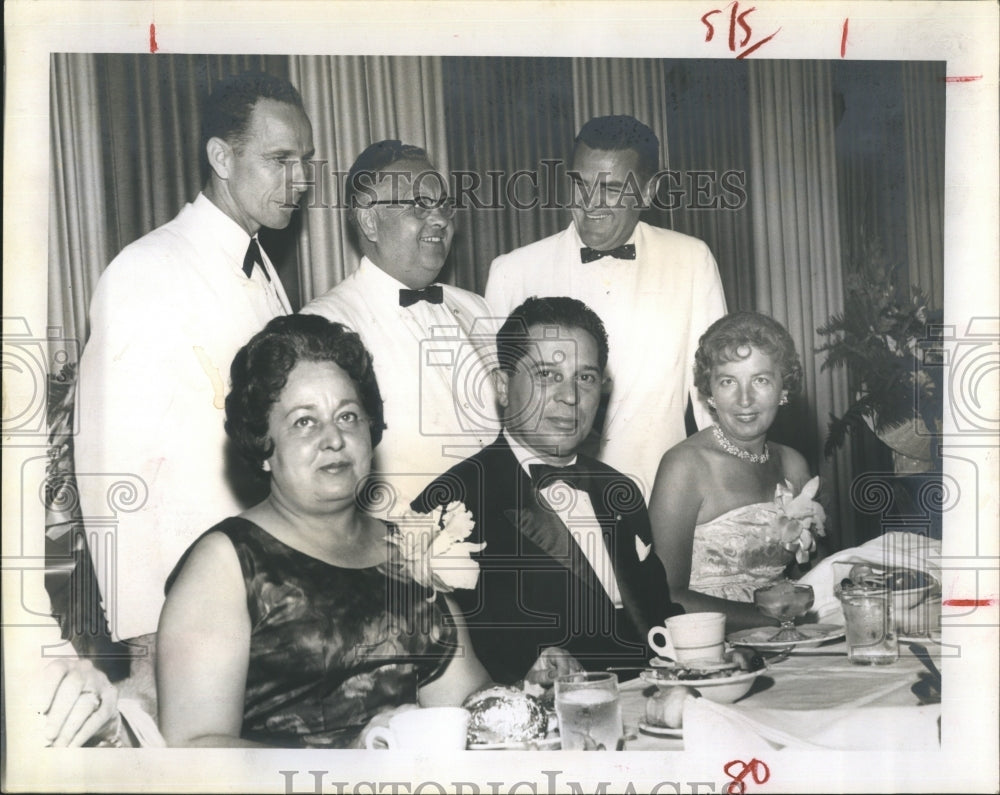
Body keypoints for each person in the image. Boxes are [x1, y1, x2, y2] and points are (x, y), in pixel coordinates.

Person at [156, 314, 492, 748]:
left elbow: (467, 710)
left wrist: (532, 693)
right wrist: (349, 763)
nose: (334, 439)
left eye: (348, 416)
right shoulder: (224, 563)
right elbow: (192, 750)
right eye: (304, 422)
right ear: (262, 445)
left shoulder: (407, 549)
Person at [73, 71, 314, 644]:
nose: (301, 179)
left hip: (272, 592)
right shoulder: (146, 270)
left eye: (305, 159)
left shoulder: (262, 268)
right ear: (221, 158)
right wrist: (142, 634)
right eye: (280, 159)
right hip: (192, 609)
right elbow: (112, 466)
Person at [412, 297, 683, 685]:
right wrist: (525, 663)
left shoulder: (619, 489)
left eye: (585, 377)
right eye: (547, 375)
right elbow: (440, 648)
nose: (570, 397)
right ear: (503, 387)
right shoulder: (450, 503)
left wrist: (712, 649)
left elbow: (657, 614)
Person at [485, 115, 727, 496]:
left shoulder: (691, 260)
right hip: (545, 502)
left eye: (612, 189)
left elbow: (714, 397)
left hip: (660, 499)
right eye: (579, 185)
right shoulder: (512, 272)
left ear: (649, 192)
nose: (590, 204)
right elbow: (493, 409)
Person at [302, 140, 500, 511]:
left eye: (442, 205)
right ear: (369, 221)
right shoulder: (325, 325)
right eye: (418, 206)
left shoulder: (477, 308)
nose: (440, 219)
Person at [647, 312, 825, 631]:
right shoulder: (685, 466)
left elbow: (805, 577)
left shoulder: (793, 464)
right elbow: (664, 596)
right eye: (728, 381)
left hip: (787, 642)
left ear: (784, 388)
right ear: (710, 392)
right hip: (708, 646)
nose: (745, 399)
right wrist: (774, 622)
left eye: (761, 380)